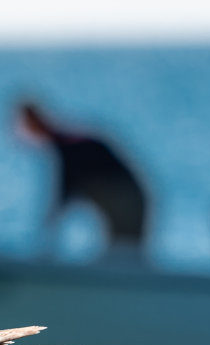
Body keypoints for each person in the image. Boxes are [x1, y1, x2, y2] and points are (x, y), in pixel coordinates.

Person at [16, 102, 149, 255]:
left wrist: (48, 236)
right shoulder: (70, 142)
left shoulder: (68, 146)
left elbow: (63, 195)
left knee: (124, 256)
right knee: (123, 256)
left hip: (127, 200)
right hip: (129, 198)